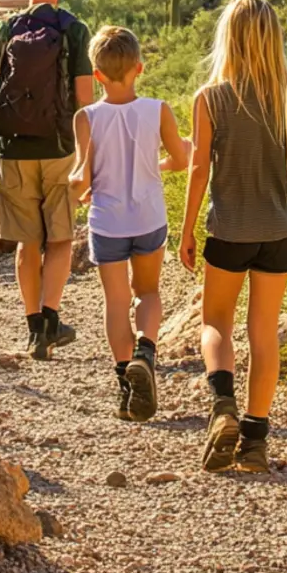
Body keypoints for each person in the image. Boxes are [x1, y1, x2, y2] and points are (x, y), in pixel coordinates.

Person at [179, 0, 287, 474]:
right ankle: (255, 442)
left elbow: (198, 169)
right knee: (264, 333)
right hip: (278, 230)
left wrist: (186, 230)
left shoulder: (211, 99)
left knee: (216, 325)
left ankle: (223, 403)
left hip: (228, 230)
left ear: (228, 39)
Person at [0, 0, 95, 360]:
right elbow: (84, 98)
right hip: (60, 148)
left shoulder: (4, 28)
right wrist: (85, 154)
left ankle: (31, 331)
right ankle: (51, 319)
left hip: (12, 150)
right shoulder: (74, 30)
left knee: (28, 243)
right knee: (59, 238)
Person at [71, 26, 188, 421]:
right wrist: (153, 166)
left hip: (107, 222)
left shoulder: (86, 117)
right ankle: (146, 353)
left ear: (97, 74)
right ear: (139, 67)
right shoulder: (158, 110)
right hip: (149, 216)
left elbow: (82, 178)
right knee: (149, 292)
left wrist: (81, 186)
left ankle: (125, 390)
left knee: (117, 302)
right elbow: (181, 160)